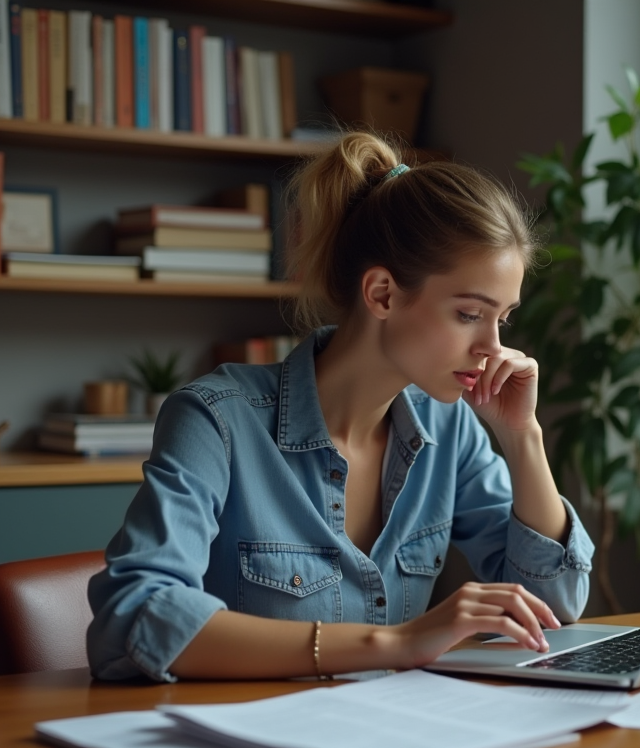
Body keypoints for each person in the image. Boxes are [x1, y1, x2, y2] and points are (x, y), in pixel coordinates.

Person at [86, 132, 595, 682]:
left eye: (504, 318)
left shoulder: (450, 428)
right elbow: (135, 615)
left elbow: (556, 605)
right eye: (470, 314)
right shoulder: (217, 420)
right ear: (382, 294)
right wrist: (396, 642)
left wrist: (523, 436)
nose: (493, 346)